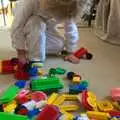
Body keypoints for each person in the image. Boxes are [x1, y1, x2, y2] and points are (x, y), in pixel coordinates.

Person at [11, 0, 89, 64]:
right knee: (36, 23)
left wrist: (70, 52)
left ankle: (32, 45)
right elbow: (17, 27)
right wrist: (21, 53)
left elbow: (71, 29)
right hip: (28, 21)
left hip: (46, 24)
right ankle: (35, 59)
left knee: (59, 45)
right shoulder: (29, 3)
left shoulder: (68, 7)